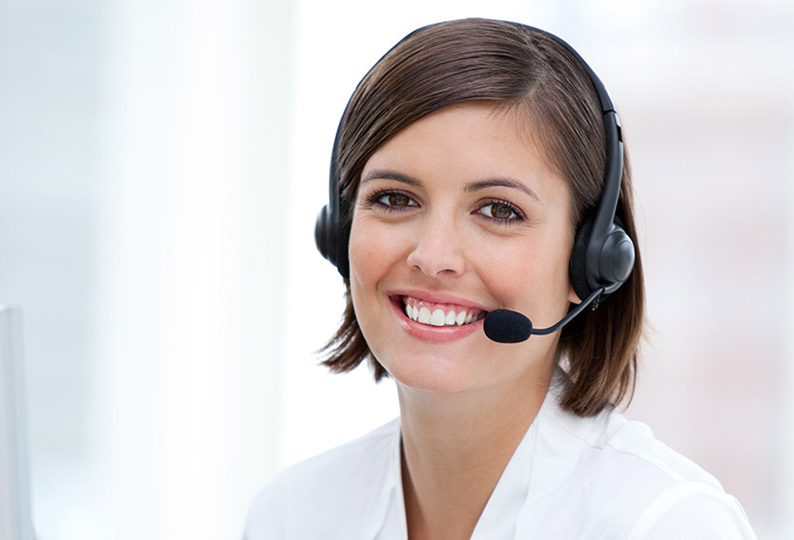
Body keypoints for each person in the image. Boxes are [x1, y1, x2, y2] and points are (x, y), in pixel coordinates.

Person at [245, 18, 757, 540]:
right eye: (395, 199)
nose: (433, 256)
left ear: (590, 261)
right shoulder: (293, 514)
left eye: (498, 210)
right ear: (340, 233)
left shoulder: (661, 523)